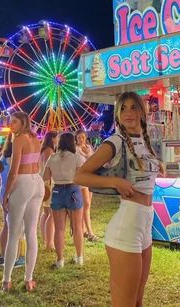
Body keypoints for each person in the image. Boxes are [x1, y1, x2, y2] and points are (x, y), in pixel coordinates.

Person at [75, 92, 165, 307]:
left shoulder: (145, 141)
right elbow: (80, 175)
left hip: (145, 225)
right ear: (117, 114)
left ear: (142, 112)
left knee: (137, 301)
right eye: (123, 108)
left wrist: (158, 166)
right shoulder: (115, 141)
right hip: (126, 227)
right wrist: (115, 181)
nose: (128, 113)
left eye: (134, 107)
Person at [2, 112, 44, 292]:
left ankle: (6, 280)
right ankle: (29, 279)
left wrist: (6, 193)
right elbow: (39, 163)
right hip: (37, 182)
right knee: (31, 232)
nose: (11, 124)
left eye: (14, 122)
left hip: (23, 182)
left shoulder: (18, 140)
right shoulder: (35, 138)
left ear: (23, 123)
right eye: (10, 121)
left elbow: (14, 171)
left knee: (13, 234)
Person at [43, 132, 84, 268]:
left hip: (57, 190)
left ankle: (60, 260)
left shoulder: (52, 158)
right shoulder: (77, 158)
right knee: (77, 227)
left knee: (59, 228)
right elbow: (80, 177)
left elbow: (45, 176)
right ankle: (79, 257)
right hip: (73, 189)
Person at [0, 133, 26, 268]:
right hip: (13, 192)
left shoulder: (3, 157)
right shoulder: (15, 158)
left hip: (3, 191)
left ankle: (4, 256)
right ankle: (15, 257)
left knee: (7, 225)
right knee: (17, 226)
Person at [75, 130, 98, 242]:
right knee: (86, 203)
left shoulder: (89, 148)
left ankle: (83, 229)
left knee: (87, 205)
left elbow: (93, 160)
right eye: (79, 137)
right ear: (76, 138)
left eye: (83, 137)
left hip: (90, 177)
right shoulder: (75, 150)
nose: (81, 139)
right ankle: (90, 232)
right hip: (82, 178)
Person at [39, 131, 58, 250]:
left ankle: (45, 239)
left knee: (46, 212)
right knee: (51, 213)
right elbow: (49, 168)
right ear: (52, 139)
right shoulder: (49, 151)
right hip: (49, 183)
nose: (58, 140)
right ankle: (49, 242)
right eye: (57, 138)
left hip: (44, 182)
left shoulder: (44, 149)